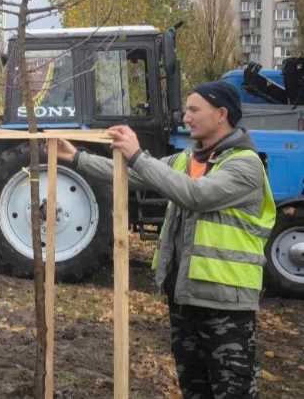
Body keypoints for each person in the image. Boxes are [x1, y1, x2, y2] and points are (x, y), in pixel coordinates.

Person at [56, 81, 275, 398]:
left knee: (232, 392)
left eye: (194, 110)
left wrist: (137, 155)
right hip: (185, 298)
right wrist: (77, 158)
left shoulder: (244, 164)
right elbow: (133, 175)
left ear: (221, 114)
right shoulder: (188, 159)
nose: (186, 117)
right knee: (194, 390)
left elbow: (194, 195)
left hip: (227, 305)